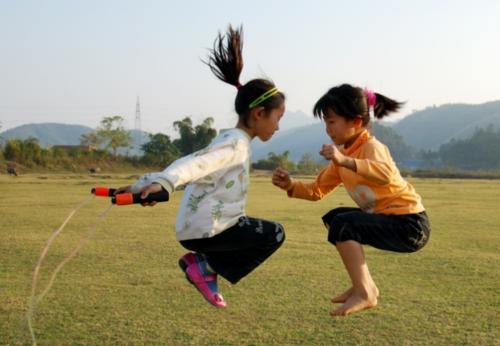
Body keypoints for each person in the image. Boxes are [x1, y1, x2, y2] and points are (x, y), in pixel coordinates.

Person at [117, 25, 286, 308]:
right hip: (212, 233)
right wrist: (166, 184)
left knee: (257, 230)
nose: (278, 126)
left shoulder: (227, 141)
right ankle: (204, 267)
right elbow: (193, 165)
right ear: (258, 114)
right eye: (277, 118)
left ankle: (206, 267)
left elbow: (191, 162)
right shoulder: (234, 146)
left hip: (196, 231)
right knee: (275, 234)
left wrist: (141, 185)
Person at [272, 84, 430, 317]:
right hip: (388, 220)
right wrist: (291, 185)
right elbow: (317, 190)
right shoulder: (344, 155)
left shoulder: (371, 147)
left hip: (410, 224)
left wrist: (344, 161)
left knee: (343, 224)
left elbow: (385, 174)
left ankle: (365, 291)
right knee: (335, 218)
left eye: (332, 121)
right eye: (325, 122)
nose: (328, 129)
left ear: (355, 122)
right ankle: (362, 284)